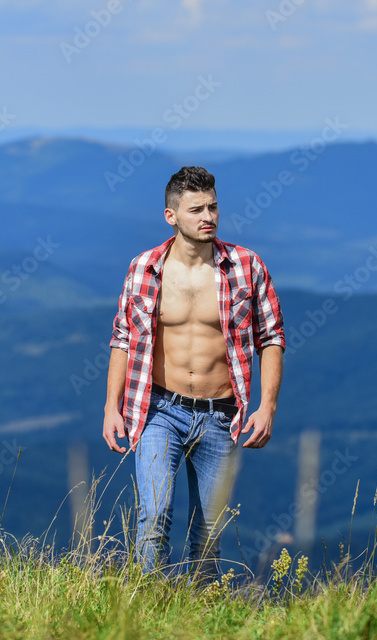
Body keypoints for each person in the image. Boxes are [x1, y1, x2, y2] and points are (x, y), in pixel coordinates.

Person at [103, 166, 286, 580]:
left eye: (214, 207)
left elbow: (271, 336)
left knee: (207, 532)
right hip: (158, 410)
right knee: (153, 518)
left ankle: (200, 616)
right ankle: (148, 607)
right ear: (171, 216)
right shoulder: (144, 269)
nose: (209, 216)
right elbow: (122, 338)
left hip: (221, 415)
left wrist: (267, 407)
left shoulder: (245, 267)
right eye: (197, 209)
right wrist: (111, 407)